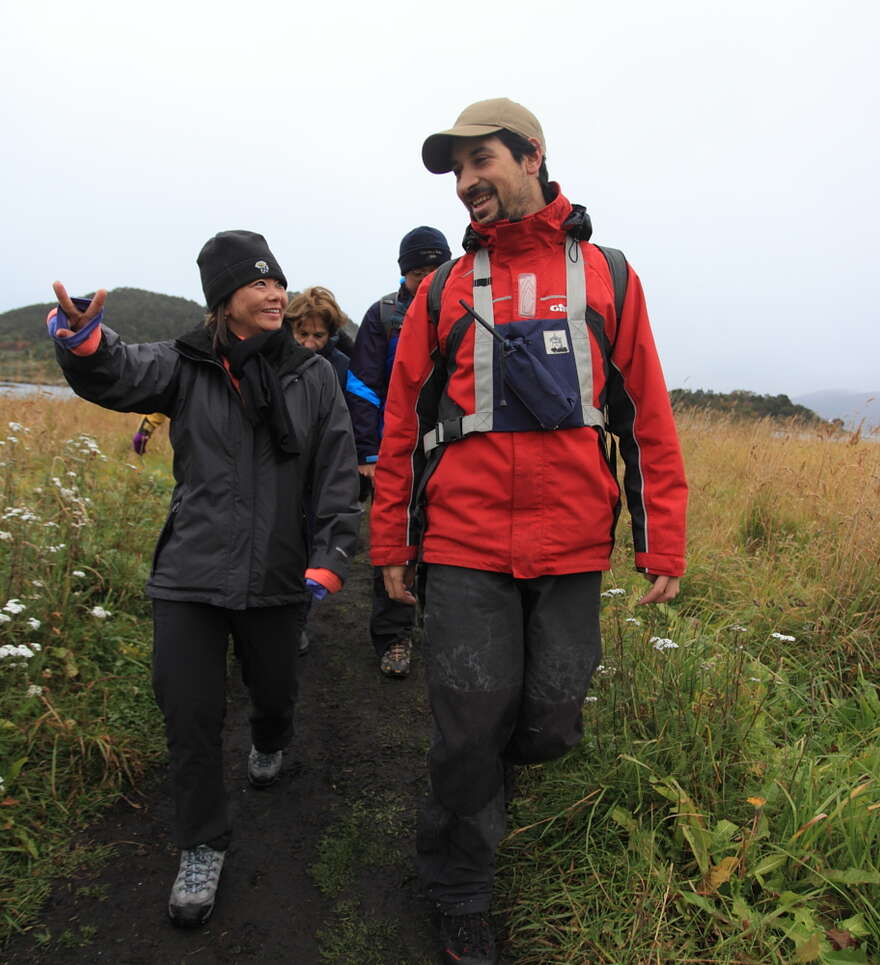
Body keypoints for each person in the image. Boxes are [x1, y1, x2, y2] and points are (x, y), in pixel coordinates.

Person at [370, 99, 688, 964]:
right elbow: (401, 423)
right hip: (464, 546)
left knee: (548, 719)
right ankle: (458, 879)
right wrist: (391, 542)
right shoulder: (438, 292)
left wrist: (662, 537)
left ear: (531, 157)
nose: (468, 182)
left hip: (574, 544)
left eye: (482, 162)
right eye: (457, 170)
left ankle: (481, 785)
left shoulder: (608, 276)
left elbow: (645, 415)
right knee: (470, 722)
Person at [47, 230, 360, 928]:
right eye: (259, 284)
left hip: (280, 574)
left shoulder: (313, 378)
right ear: (225, 299)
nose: (276, 293)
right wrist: (85, 341)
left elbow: (338, 478)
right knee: (187, 712)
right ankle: (201, 842)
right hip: (189, 568)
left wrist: (330, 558)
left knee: (274, 690)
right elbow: (121, 369)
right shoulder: (185, 363)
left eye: (278, 281)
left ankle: (271, 737)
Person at [348, 226, 451, 678]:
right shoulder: (383, 316)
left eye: (434, 269)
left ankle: (447, 632)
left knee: (450, 544)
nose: (426, 279)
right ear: (402, 274)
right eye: (416, 272)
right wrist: (370, 454)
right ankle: (393, 638)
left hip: (453, 450)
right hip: (397, 452)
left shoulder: (466, 307)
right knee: (395, 542)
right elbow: (362, 386)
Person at [285, 285, 360, 653]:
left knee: (314, 542)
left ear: (331, 335)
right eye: (303, 334)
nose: (310, 342)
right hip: (286, 471)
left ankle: (298, 618)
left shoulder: (343, 368)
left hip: (325, 472)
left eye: (319, 335)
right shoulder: (277, 364)